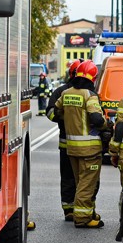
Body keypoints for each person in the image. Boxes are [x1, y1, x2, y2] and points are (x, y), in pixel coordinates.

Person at [54, 60, 106, 228]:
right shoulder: (89, 95)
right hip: (89, 149)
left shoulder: (66, 93)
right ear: (93, 78)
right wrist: (106, 124)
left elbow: (56, 111)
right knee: (87, 183)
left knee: (79, 182)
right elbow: (97, 119)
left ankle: (87, 212)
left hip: (72, 148)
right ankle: (83, 218)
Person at [46, 60, 81, 220]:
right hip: (75, 144)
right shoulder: (62, 91)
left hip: (71, 143)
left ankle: (78, 208)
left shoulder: (62, 92)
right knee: (74, 177)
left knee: (76, 178)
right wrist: (63, 117)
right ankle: (70, 209)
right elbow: (50, 112)